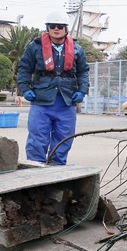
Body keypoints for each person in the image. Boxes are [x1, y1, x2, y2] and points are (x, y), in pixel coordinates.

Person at [17, 11, 90, 165]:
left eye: (60, 26)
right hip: (41, 101)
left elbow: (83, 71)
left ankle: (57, 171)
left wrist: (82, 90)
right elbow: (24, 68)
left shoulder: (77, 49)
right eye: (52, 26)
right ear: (47, 28)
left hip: (66, 101)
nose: (56, 29)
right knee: (37, 138)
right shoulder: (34, 47)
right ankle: (35, 170)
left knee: (64, 139)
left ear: (66, 28)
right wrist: (25, 89)